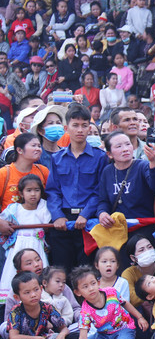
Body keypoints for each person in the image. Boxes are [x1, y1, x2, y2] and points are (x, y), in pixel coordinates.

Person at [46, 103, 108, 269]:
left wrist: (86, 214)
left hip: (89, 222)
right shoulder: (57, 158)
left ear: (90, 128)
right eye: (75, 125)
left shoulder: (99, 157)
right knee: (61, 271)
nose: (80, 130)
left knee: (86, 271)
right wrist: (57, 215)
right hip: (63, 222)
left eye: (84, 125)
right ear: (67, 128)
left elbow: (99, 192)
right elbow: (53, 191)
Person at [73, 265, 148, 339]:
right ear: (78, 292)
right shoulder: (85, 311)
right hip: (104, 334)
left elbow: (125, 303)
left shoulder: (111, 292)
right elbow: (82, 337)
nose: (91, 289)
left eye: (93, 283)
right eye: (85, 287)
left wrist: (140, 317)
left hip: (124, 328)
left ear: (98, 283)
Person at [6, 272, 79, 339]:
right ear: (17, 297)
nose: (33, 295)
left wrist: (61, 336)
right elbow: (14, 338)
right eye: (27, 292)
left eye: (36, 290)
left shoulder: (47, 307)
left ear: (41, 289)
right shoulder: (16, 312)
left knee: (74, 337)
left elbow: (64, 328)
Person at [0, 175, 51, 305]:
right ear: (21, 192)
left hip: (37, 246)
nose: (33, 194)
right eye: (29, 190)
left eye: (36, 190)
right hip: (18, 247)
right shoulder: (14, 209)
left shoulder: (44, 207)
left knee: (39, 271)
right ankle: (14, 301)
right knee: (14, 271)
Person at [97, 131, 155, 223]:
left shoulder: (143, 166)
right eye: (119, 146)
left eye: (128, 144)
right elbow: (103, 200)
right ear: (110, 154)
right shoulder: (107, 171)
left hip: (142, 224)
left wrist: (153, 162)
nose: (125, 149)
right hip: (118, 225)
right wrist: (102, 213)